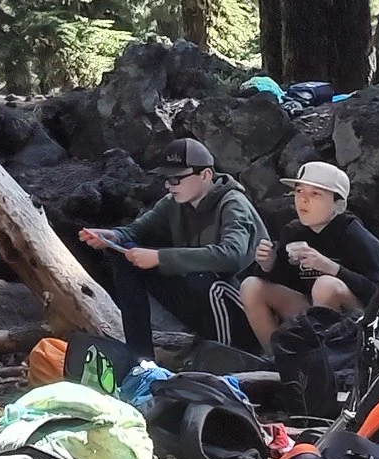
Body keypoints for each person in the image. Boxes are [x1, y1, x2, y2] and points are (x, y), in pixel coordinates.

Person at [77, 138, 262, 360]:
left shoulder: (233, 204)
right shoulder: (172, 203)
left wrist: (160, 257)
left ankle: (227, 357)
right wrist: (112, 236)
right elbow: (136, 231)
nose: (169, 185)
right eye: (166, 179)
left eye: (176, 179)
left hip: (246, 311)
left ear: (205, 175)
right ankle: (140, 358)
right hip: (204, 305)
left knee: (202, 280)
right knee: (124, 257)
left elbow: (232, 256)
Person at [238, 161, 379, 350]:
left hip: (365, 325)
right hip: (313, 315)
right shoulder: (294, 231)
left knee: (325, 286)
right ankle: (279, 361)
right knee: (251, 286)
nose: (303, 200)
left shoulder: (355, 236)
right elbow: (288, 282)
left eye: (316, 194)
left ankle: (329, 364)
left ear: (340, 205)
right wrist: (269, 264)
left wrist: (333, 269)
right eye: (299, 191)